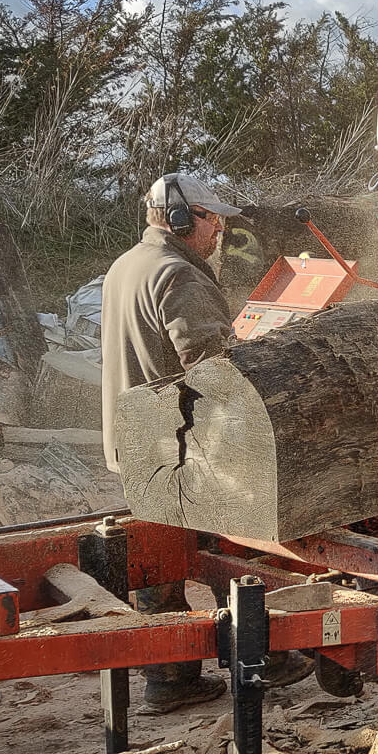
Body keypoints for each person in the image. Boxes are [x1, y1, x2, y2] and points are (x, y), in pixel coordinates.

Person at [101, 172, 240, 713]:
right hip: (174, 447)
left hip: (133, 442)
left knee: (157, 563)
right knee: (238, 544)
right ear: (181, 220)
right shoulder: (178, 275)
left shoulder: (125, 265)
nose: (220, 229)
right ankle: (266, 655)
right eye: (211, 218)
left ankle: (170, 680)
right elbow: (214, 367)